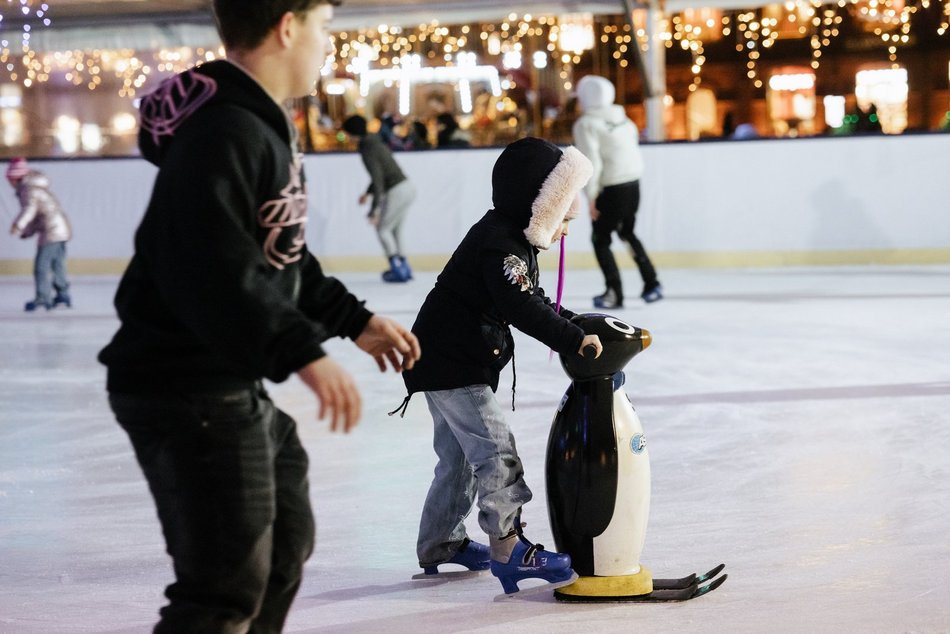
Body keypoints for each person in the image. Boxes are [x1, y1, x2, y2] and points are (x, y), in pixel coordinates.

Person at [97, 1, 421, 631]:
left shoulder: (257, 122)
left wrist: (353, 320)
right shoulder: (226, 132)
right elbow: (211, 264)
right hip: (185, 386)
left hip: (220, 381)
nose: (328, 45)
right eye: (324, 27)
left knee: (283, 544)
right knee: (222, 588)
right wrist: (301, 352)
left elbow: (277, 252)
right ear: (288, 26)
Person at [397, 137, 604, 595]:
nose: (566, 225)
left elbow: (531, 297)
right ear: (538, 204)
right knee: (496, 452)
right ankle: (509, 548)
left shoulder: (507, 234)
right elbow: (520, 305)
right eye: (562, 213)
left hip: (441, 358)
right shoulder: (501, 243)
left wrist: (575, 323)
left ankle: (440, 543)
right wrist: (571, 339)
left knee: (457, 460)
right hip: (455, 365)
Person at [573, 74, 662, 307]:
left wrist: (591, 196)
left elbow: (591, 162)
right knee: (627, 232)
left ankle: (614, 293)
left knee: (600, 239)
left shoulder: (586, 125)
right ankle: (652, 283)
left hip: (611, 188)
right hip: (633, 185)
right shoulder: (625, 121)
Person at [341, 113, 416, 282]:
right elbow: (379, 175)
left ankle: (397, 269)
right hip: (407, 187)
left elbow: (378, 179)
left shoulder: (367, 148)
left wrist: (374, 209)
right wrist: (368, 193)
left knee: (382, 229)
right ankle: (404, 267)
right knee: (395, 229)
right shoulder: (375, 142)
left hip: (396, 190)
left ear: (352, 133)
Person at [7, 157, 73, 312]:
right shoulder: (34, 188)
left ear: (15, 177)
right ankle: (63, 294)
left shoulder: (28, 190)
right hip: (60, 229)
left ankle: (43, 297)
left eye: (9, 179)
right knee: (57, 263)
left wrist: (18, 225)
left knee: (41, 266)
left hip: (51, 231)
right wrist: (27, 232)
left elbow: (30, 211)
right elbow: (38, 216)